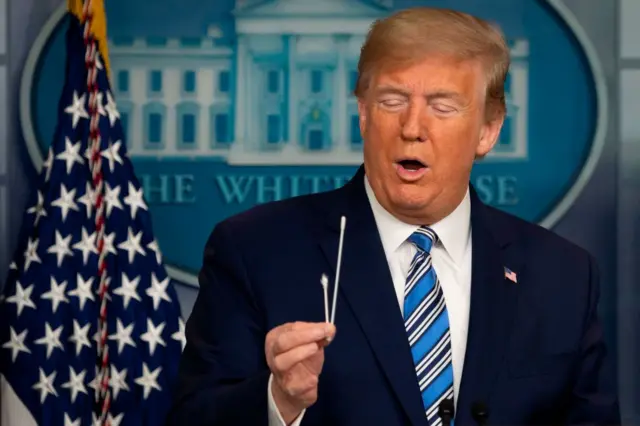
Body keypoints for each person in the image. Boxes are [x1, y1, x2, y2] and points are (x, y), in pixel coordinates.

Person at [167, 6, 620, 426]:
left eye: (442, 106)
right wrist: (278, 401)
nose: (412, 128)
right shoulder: (255, 250)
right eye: (391, 101)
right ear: (363, 114)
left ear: (487, 130)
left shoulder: (563, 275)